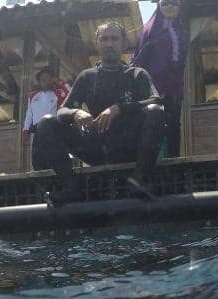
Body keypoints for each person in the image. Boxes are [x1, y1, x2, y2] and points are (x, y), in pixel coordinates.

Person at [32, 21, 167, 205]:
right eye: (104, 39)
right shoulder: (87, 77)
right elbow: (62, 110)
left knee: (155, 112)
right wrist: (75, 113)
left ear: (123, 43)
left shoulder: (136, 74)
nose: (109, 44)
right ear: (97, 43)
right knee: (46, 123)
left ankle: (140, 181)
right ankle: (70, 187)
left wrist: (119, 108)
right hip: (96, 146)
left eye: (114, 39)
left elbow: (156, 101)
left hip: (129, 146)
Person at [132, 0, 187, 157]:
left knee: (173, 124)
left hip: (174, 87)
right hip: (153, 86)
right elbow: (140, 58)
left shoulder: (182, 30)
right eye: (165, 3)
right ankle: (151, 162)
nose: (170, 6)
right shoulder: (151, 30)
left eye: (174, 3)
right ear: (159, 7)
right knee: (153, 122)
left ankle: (173, 162)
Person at [23, 63, 69, 149]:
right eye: (41, 77)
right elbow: (29, 115)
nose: (43, 79)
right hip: (37, 132)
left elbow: (68, 94)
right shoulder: (33, 95)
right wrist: (25, 130)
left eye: (47, 77)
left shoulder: (57, 93)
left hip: (52, 130)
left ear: (52, 80)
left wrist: (59, 82)